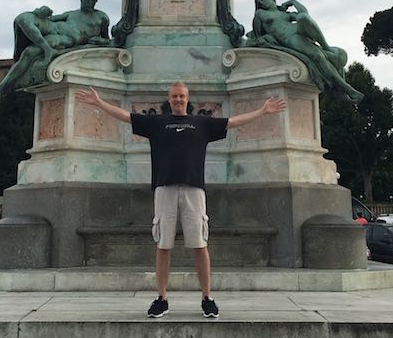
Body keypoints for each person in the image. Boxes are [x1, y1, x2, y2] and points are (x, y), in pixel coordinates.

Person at [75, 81, 286, 318]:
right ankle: (162, 298)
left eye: (182, 96)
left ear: (188, 98)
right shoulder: (157, 123)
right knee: (163, 244)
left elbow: (233, 122)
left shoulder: (202, 123)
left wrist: (263, 111)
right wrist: (99, 102)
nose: (178, 99)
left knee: (200, 244)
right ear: (169, 98)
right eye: (175, 96)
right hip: (164, 188)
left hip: (194, 189)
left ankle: (207, 297)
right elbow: (126, 116)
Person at [0, 0, 110, 102]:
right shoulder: (72, 13)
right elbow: (51, 19)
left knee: (29, 53)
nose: (85, 2)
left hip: (63, 39)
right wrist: (40, 12)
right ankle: (44, 51)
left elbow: (107, 40)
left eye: (88, 0)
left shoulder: (101, 17)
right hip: (53, 28)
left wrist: (101, 41)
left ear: (94, 1)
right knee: (22, 18)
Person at [247, 0, 363, 103]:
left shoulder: (285, 14)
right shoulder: (260, 13)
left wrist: (293, 1)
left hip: (299, 31)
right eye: (259, 1)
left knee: (303, 17)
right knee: (318, 56)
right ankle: (347, 89)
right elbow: (258, 33)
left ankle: (326, 46)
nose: (261, 2)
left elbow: (304, 13)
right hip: (290, 38)